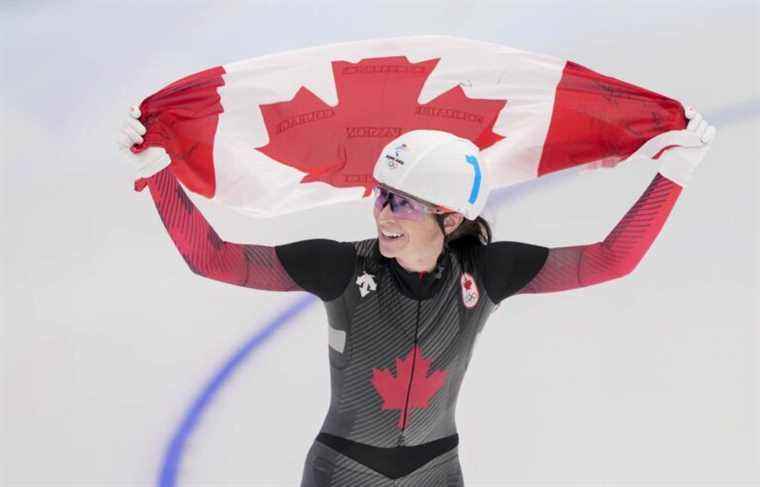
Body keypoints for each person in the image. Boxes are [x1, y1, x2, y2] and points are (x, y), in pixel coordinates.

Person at [118, 106, 715, 486]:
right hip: (343, 470)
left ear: (450, 217)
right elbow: (213, 257)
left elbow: (612, 258)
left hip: (436, 471)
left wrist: (675, 175)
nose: (383, 213)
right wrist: (160, 174)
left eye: (401, 201)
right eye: (381, 195)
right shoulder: (339, 267)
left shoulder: (489, 271)